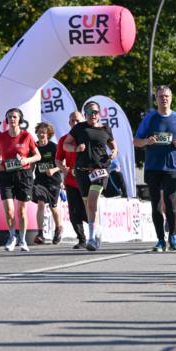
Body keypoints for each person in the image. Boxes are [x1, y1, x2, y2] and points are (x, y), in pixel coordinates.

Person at [134, 84, 176, 252]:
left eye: (166, 96)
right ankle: (160, 239)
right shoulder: (150, 118)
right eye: (160, 96)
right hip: (153, 167)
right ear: (156, 99)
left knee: (171, 201)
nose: (164, 99)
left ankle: (173, 235)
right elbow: (136, 141)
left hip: (171, 167)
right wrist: (146, 142)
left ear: (171, 98)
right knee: (157, 205)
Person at [63, 100, 117, 251]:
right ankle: (97, 229)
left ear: (99, 114)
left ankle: (91, 238)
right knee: (88, 205)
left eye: (95, 112)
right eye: (90, 112)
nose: (93, 115)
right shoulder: (79, 128)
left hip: (100, 170)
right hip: (82, 170)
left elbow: (114, 146)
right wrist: (75, 148)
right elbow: (65, 144)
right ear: (85, 114)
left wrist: (113, 153)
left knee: (92, 201)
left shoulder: (106, 129)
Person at [0, 107, 40, 252]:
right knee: (9, 210)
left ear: (20, 119)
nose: (12, 119)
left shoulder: (27, 136)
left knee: (22, 210)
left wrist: (27, 159)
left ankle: (22, 239)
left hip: (23, 175)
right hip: (6, 175)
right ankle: (12, 236)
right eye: (10, 117)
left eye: (15, 117)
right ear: (7, 120)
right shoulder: (1, 137)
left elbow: (38, 156)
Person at [56, 110, 87, 249]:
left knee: (87, 210)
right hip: (71, 180)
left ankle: (94, 233)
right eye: (73, 121)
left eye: (78, 121)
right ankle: (82, 239)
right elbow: (58, 159)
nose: (75, 123)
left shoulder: (88, 137)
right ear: (69, 123)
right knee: (74, 212)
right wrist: (62, 167)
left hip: (88, 180)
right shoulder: (64, 140)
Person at [32, 121, 63, 244]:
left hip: (53, 181)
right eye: (39, 132)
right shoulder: (34, 147)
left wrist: (54, 169)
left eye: (43, 133)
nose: (41, 135)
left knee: (53, 206)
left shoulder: (54, 147)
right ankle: (40, 234)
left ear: (48, 134)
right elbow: (32, 163)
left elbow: (62, 164)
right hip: (40, 180)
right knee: (40, 204)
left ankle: (59, 228)